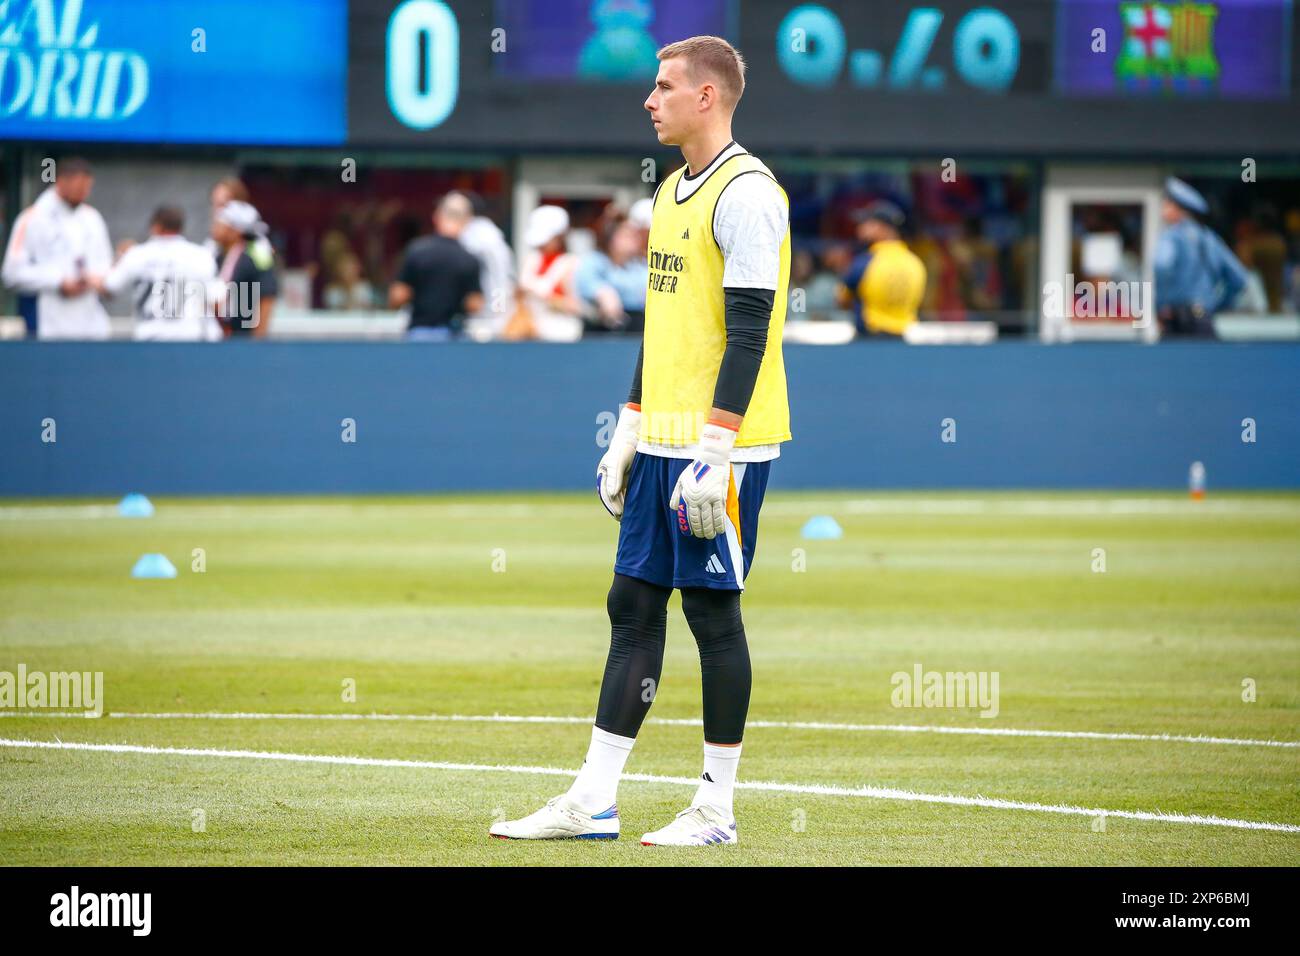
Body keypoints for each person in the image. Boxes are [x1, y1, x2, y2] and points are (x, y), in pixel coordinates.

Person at [491, 35, 791, 847]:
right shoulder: (667, 196)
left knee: (713, 613)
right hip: (662, 438)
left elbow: (751, 330)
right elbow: (663, 326)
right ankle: (594, 800)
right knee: (632, 605)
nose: (648, 100)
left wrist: (716, 449)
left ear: (708, 97)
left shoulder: (748, 193)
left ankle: (716, 811)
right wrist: (629, 425)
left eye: (663, 87)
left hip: (720, 447)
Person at [2, 157, 113, 340]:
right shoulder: (32, 218)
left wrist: (95, 279)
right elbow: (11, 273)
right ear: (61, 182)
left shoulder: (92, 218)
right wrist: (59, 282)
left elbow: (105, 266)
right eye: (79, 188)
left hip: (90, 325)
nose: (84, 194)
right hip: (46, 324)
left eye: (87, 189)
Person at [93, 206, 221, 341]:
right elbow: (218, 301)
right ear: (180, 227)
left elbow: (108, 287)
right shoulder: (200, 255)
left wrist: (93, 273)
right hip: (186, 339)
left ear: (155, 227)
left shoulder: (136, 254)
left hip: (149, 337)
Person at [1154, 177, 1247, 339]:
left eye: (1167, 203)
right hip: (1203, 320)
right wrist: (1217, 305)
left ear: (1178, 209)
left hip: (1175, 321)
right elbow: (1239, 278)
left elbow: (1161, 265)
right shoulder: (1210, 238)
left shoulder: (1171, 236)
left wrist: (1161, 305)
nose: (1163, 208)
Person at [388, 193, 483, 341]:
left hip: (419, 334)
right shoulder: (469, 259)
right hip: (454, 336)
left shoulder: (417, 251)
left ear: (437, 217)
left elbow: (397, 296)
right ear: (467, 221)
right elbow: (475, 304)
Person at [840, 200, 927, 337]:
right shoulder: (915, 263)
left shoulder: (865, 262)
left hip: (869, 340)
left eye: (867, 223)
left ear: (883, 228)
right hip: (903, 341)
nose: (860, 228)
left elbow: (842, 301)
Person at [514, 204, 584, 341]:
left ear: (560, 236)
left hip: (561, 336)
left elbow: (576, 307)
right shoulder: (532, 259)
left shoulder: (571, 263)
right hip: (531, 336)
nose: (541, 245)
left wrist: (548, 300)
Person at [211, 200, 278, 338]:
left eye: (221, 223)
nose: (214, 227)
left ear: (235, 231)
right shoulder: (216, 254)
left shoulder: (256, 257)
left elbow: (267, 297)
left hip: (243, 341)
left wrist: (257, 344)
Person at [456, 191, 516, 338]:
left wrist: (497, 313)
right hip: (487, 316)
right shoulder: (487, 233)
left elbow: (499, 276)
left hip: (484, 320)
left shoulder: (478, 235)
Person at [575, 217, 648, 332]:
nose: (635, 239)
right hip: (601, 329)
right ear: (611, 238)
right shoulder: (594, 261)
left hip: (637, 328)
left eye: (635, 235)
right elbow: (586, 284)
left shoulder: (640, 265)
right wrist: (603, 292)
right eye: (627, 235)